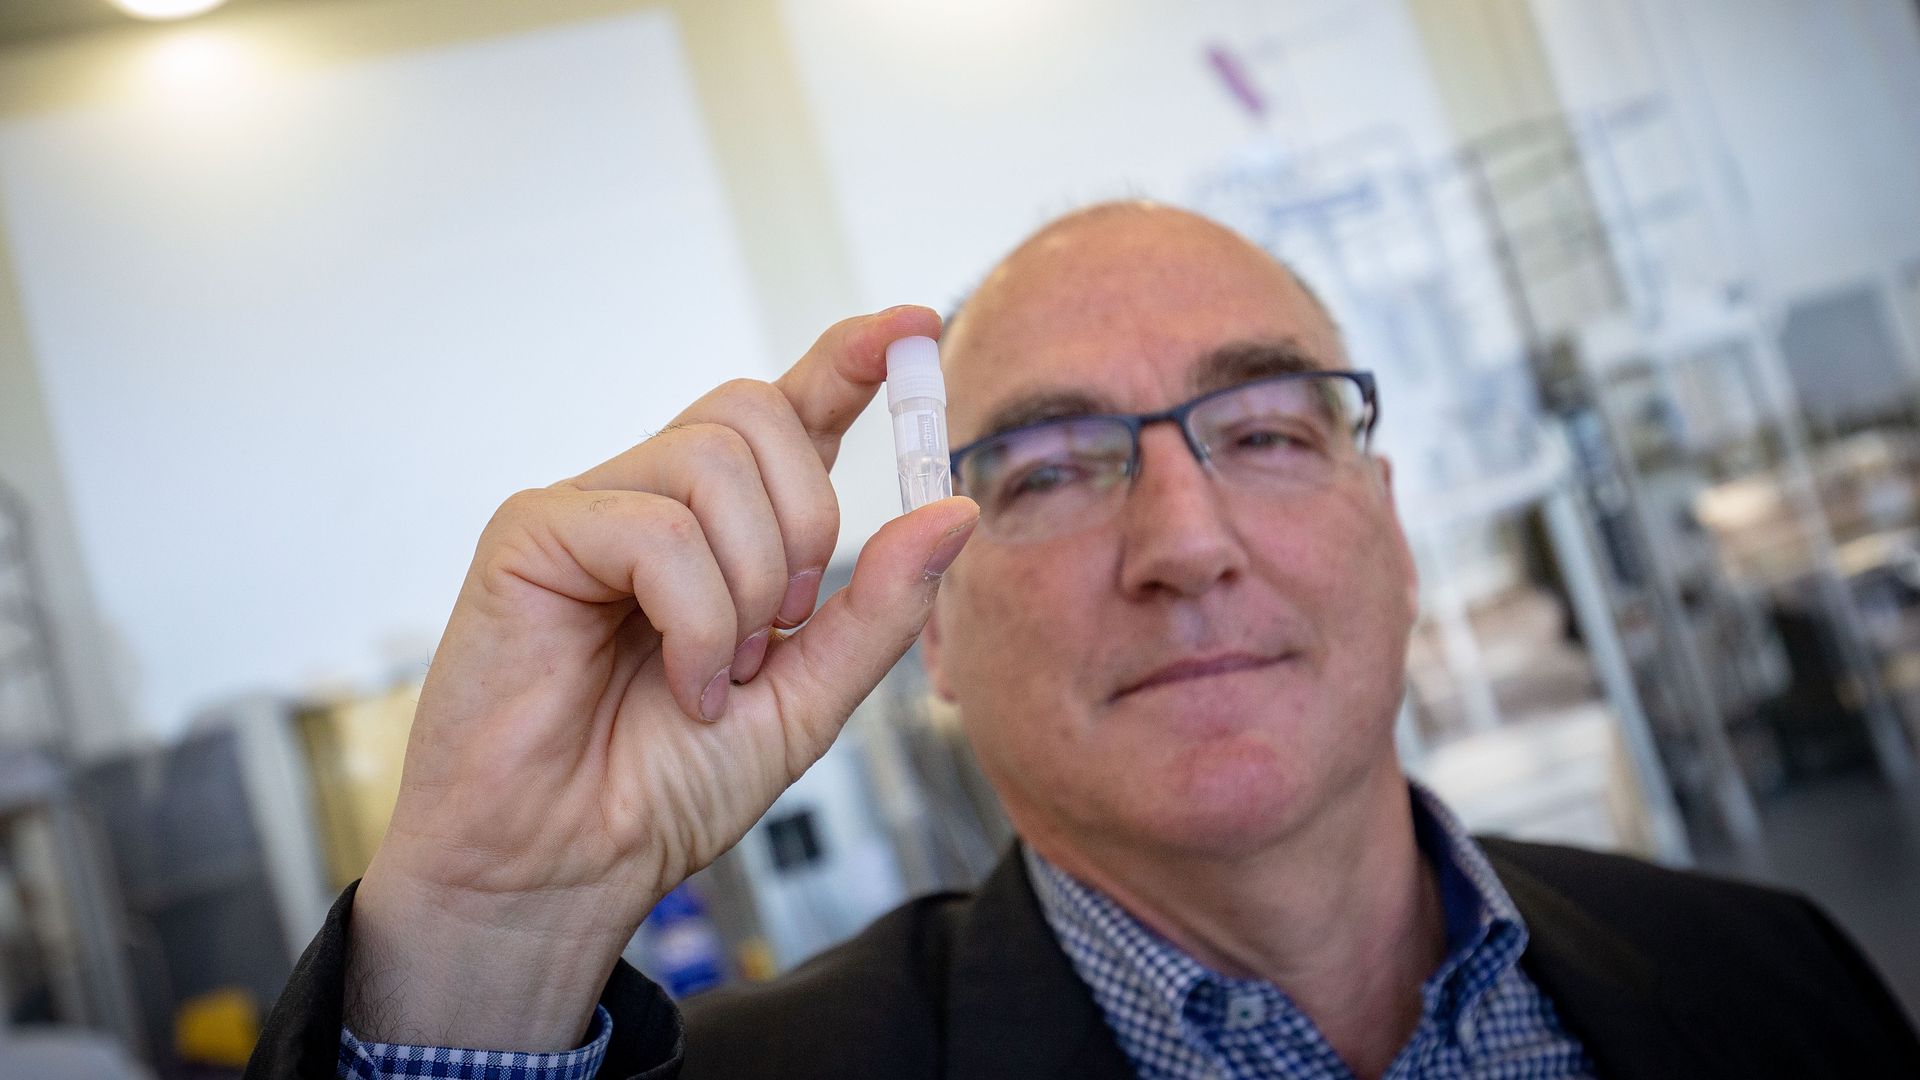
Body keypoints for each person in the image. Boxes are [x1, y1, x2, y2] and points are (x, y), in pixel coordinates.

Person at [249, 203, 1920, 1080]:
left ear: (1391, 523)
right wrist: (482, 941)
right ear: (938, 631)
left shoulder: (1775, 980)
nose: (1185, 545)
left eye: (1268, 432)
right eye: (1050, 471)